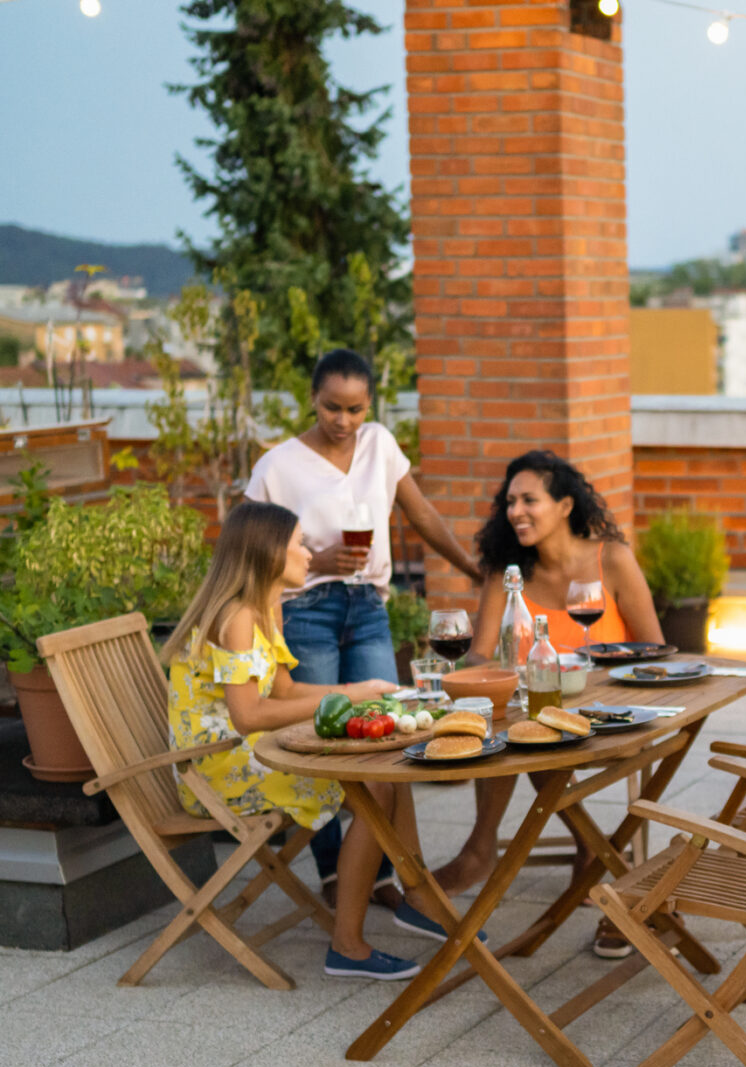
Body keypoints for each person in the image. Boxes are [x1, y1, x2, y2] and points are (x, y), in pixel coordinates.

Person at [163, 501, 458, 979]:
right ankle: (348, 946)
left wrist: (360, 692)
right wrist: (351, 696)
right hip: (215, 771)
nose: (308, 553)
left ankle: (417, 897)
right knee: (374, 788)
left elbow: (283, 691)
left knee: (389, 771)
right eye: (299, 543)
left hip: (251, 754)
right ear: (268, 552)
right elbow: (247, 716)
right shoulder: (236, 617)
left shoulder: (266, 607)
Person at [246, 348, 483, 905]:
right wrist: (319, 561)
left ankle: (380, 873)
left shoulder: (380, 445)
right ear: (313, 398)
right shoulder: (277, 466)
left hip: (369, 607)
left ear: (369, 405)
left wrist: (472, 568)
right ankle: (334, 873)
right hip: (306, 608)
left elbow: (421, 515)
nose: (344, 420)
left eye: (355, 409)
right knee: (321, 737)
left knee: (390, 730)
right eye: (332, 407)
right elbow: (250, 547)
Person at [433, 450, 664, 949]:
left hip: (610, 712)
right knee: (520, 725)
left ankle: (565, 850)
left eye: (529, 500)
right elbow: (480, 655)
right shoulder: (508, 571)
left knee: (531, 729)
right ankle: (556, 849)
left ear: (564, 506)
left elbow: (654, 649)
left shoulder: (612, 560)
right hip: (541, 712)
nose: (515, 511)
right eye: (510, 501)